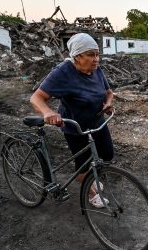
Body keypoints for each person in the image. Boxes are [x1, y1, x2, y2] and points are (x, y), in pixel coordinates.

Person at [30, 33, 113, 208]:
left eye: (97, 54)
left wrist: (108, 103)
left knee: (106, 154)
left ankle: (92, 177)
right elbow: (36, 98)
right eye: (90, 54)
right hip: (75, 126)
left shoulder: (96, 69)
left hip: (97, 121)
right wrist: (48, 112)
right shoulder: (63, 72)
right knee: (83, 165)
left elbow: (109, 92)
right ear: (77, 56)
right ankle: (90, 192)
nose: (96, 59)